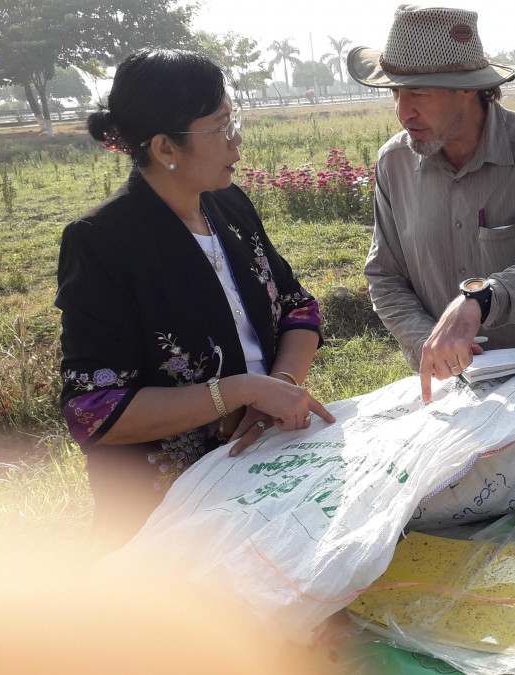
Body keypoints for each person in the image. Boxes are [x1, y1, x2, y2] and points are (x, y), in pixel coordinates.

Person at [58, 49, 335, 540]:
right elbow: (95, 409)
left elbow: (297, 307)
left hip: (266, 462)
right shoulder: (102, 242)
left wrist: (278, 385)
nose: (237, 140)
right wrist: (240, 391)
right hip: (170, 509)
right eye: (221, 127)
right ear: (166, 147)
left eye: (234, 121)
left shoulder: (227, 203)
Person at [348, 5, 515, 403]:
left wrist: (481, 300)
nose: (403, 112)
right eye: (396, 92)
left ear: (467, 89)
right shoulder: (394, 162)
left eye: (418, 93)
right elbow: (385, 275)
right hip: (444, 383)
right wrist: (430, 342)